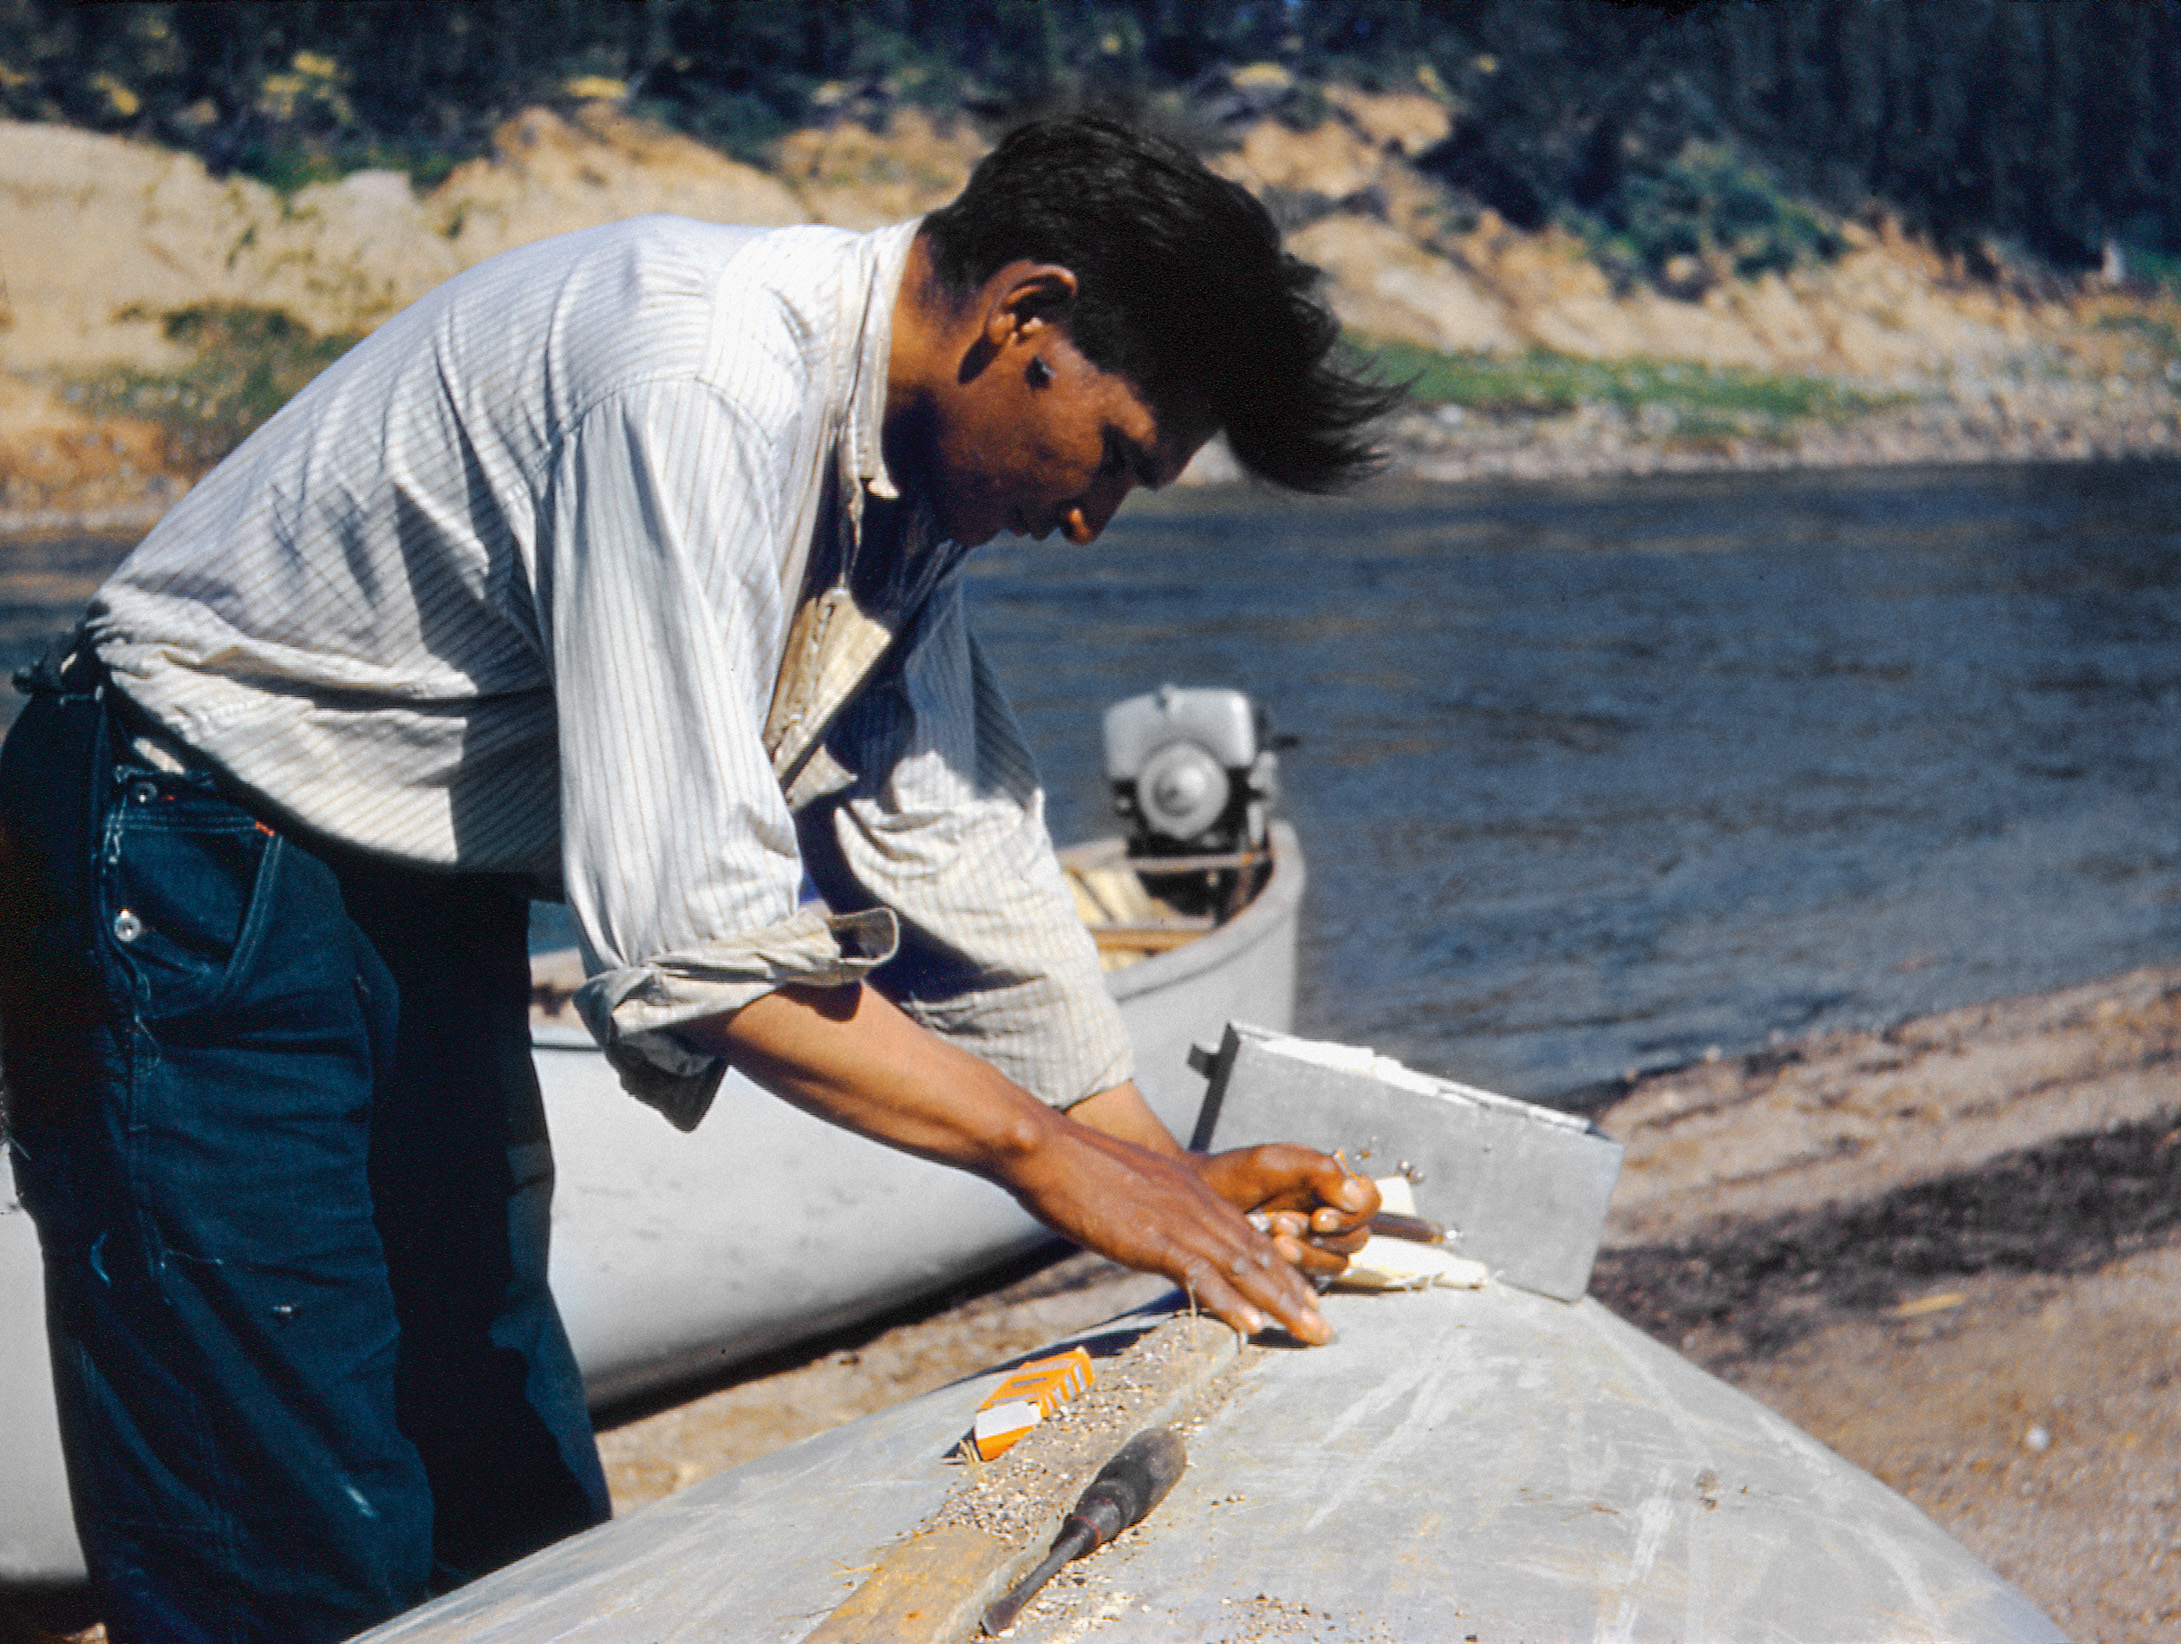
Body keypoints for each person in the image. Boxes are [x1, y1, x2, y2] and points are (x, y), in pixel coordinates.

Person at [0, 114, 1396, 1642]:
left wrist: (1149, 1162)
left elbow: (948, 837)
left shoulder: (901, 477)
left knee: (506, 1484)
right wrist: (1052, 1168)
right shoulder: (702, 381)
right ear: (1026, 318)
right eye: (1117, 459)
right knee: (277, 1518)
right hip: (181, 831)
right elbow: (701, 951)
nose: (1089, 519)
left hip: (409, 872)